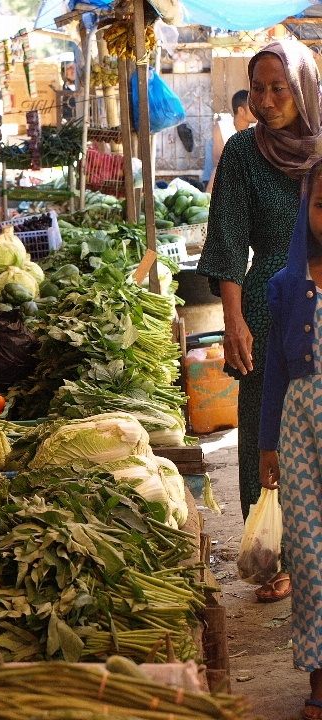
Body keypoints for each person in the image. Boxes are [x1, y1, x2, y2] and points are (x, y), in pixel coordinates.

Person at [198, 39, 322, 603]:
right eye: (259, 89)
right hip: (265, 304)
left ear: (303, 89)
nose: (267, 101)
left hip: (319, 297)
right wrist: (233, 318)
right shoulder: (245, 152)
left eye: (279, 88)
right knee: (265, 428)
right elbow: (226, 237)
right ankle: (275, 551)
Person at [259, 160, 322, 720]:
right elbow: (274, 374)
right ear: (308, 210)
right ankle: (319, 681)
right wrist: (265, 445)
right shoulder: (285, 285)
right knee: (307, 557)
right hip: (300, 432)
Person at [204, 90, 257, 193]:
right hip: (229, 170)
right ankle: (207, 205)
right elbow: (217, 159)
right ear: (241, 111)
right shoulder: (221, 126)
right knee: (216, 173)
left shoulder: (257, 128)